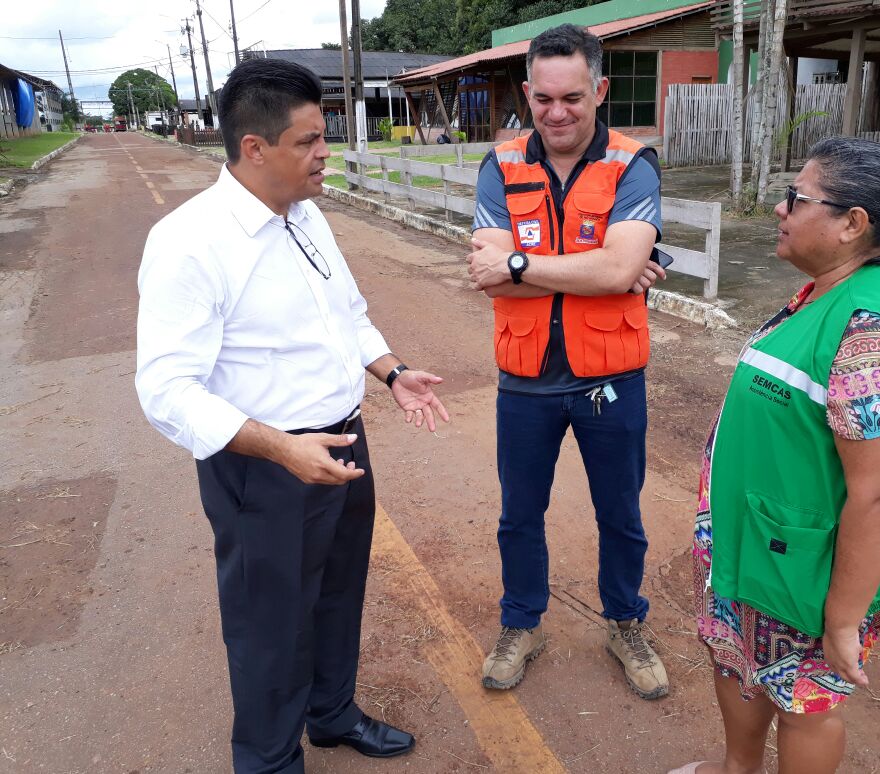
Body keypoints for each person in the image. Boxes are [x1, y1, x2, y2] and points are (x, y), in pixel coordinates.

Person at [135, 58, 448, 773]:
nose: (325, 151)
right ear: (255, 148)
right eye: (309, 140)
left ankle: (331, 714)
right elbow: (166, 390)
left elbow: (348, 316)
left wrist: (392, 373)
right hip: (263, 468)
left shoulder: (306, 217)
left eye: (323, 135)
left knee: (337, 593)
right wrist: (281, 449)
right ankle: (270, 760)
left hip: (341, 443)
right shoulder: (190, 242)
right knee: (268, 626)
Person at [669, 137, 880, 774]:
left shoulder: (869, 333)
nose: (780, 208)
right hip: (763, 544)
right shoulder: (829, 293)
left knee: (805, 703)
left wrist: (844, 620)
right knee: (739, 663)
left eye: (796, 198)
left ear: (853, 224)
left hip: (808, 568)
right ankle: (738, 768)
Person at [467, 24, 670, 700]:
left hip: (610, 379)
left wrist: (522, 263)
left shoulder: (632, 164)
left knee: (621, 513)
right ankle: (521, 623)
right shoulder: (501, 166)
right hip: (525, 381)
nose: (557, 113)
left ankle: (625, 621)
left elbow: (613, 270)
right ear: (527, 92)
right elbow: (492, 279)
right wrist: (606, 270)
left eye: (573, 98)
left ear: (600, 90)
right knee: (519, 514)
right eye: (544, 98)